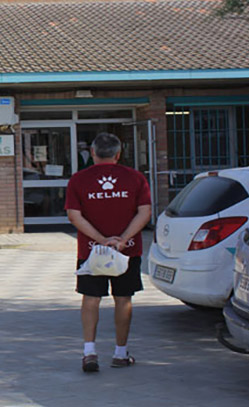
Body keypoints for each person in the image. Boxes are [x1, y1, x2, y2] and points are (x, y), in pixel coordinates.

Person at [64, 132, 151, 373]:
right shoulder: (135, 178)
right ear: (118, 153)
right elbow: (144, 212)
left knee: (91, 298)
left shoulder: (79, 180)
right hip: (128, 251)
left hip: (92, 252)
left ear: (93, 153)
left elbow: (74, 215)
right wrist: (123, 239)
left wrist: (101, 240)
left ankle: (89, 352)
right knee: (123, 299)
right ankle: (120, 354)